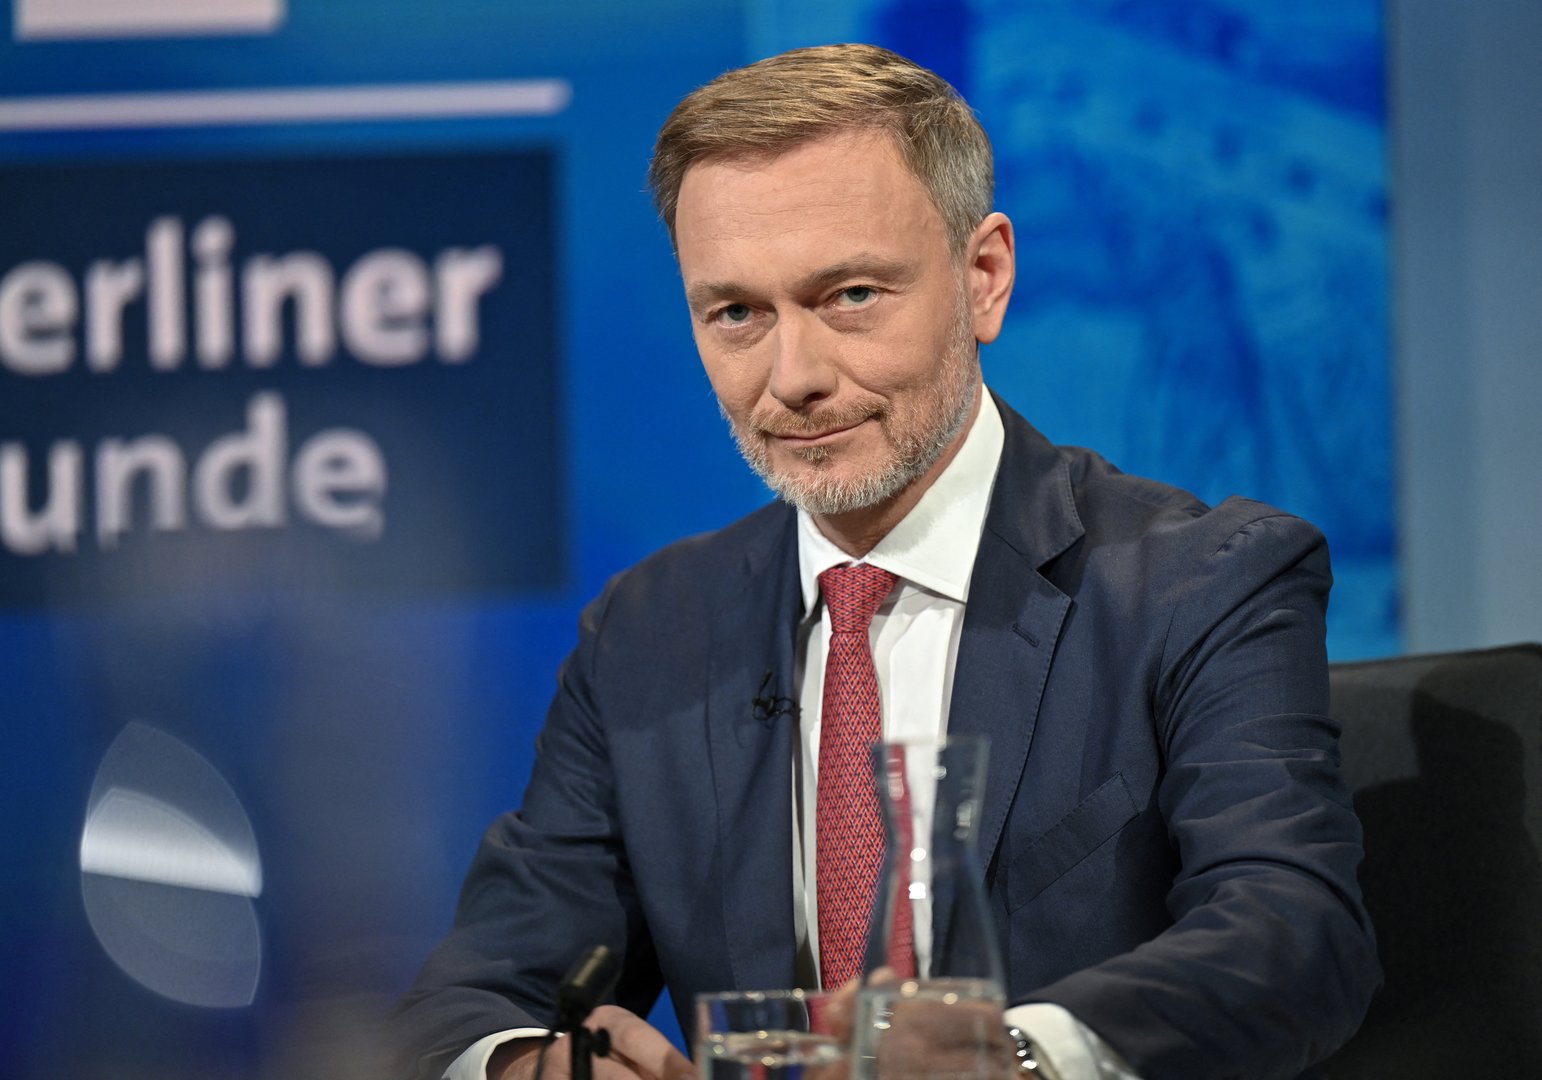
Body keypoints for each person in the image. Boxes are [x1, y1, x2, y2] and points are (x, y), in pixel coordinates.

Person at [394, 43, 1380, 1080]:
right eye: (737, 314)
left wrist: (1014, 1057)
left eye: (852, 294)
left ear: (983, 278)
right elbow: (470, 1000)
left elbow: (1293, 934)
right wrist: (525, 1066)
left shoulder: (1201, 584)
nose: (794, 377)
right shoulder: (648, 634)